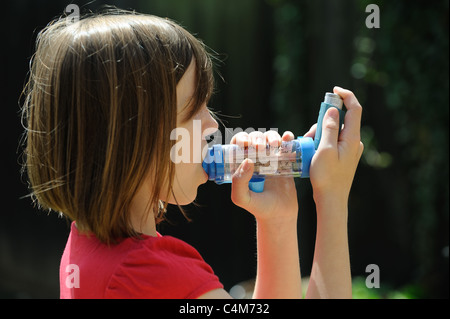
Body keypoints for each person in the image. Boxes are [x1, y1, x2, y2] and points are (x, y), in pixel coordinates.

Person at [21, 9, 363, 299]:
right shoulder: (156, 275)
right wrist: (331, 197)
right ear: (136, 139)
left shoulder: (88, 246)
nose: (213, 125)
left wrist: (278, 221)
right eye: (194, 110)